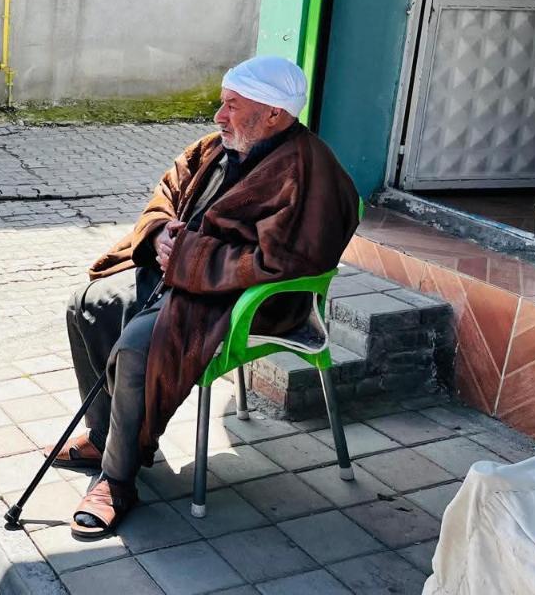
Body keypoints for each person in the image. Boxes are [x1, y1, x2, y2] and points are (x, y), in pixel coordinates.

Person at [54, 56, 361, 539]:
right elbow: (167, 190)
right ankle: (103, 435)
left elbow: (280, 263)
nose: (219, 116)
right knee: (86, 303)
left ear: (275, 115)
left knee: (139, 347)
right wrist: (157, 235)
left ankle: (117, 480)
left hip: (238, 300)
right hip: (176, 274)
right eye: (223, 103)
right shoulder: (216, 147)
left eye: (232, 106)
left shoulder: (310, 174)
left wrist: (189, 255)